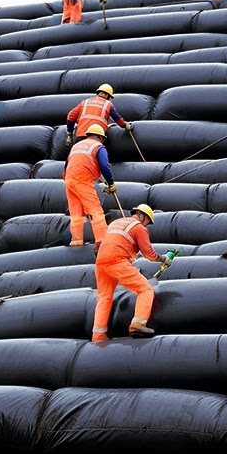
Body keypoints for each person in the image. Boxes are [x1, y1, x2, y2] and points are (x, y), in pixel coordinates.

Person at [92, 204, 168, 342]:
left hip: (101, 263)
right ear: (142, 216)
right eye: (147, 222)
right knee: (145, 289)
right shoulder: (139, 228)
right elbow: (148, 253)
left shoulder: (116, 223)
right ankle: (137, 325)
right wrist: (161, 258)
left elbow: (99, 244)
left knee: (104, 298)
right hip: (117, 261)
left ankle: (98, 336)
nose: (146, 225)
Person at [64, 123, 114, 247]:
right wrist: (111, 183)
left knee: (76, 213)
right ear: (101, 137)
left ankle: (76, 241)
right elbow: (104, 166)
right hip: (83, 179)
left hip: (69, 180)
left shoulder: (76, 146)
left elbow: (66, 165)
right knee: (95, 211)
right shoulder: (98, 147)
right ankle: (102, 240)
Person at [65, 83, 132, 146]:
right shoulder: (108, 104)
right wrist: (125, 125)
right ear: (107, 95)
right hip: (96, 136)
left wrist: (70, 134)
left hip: (80, 136)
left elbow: (71, 116)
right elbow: (117, 119)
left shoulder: (85, 102)